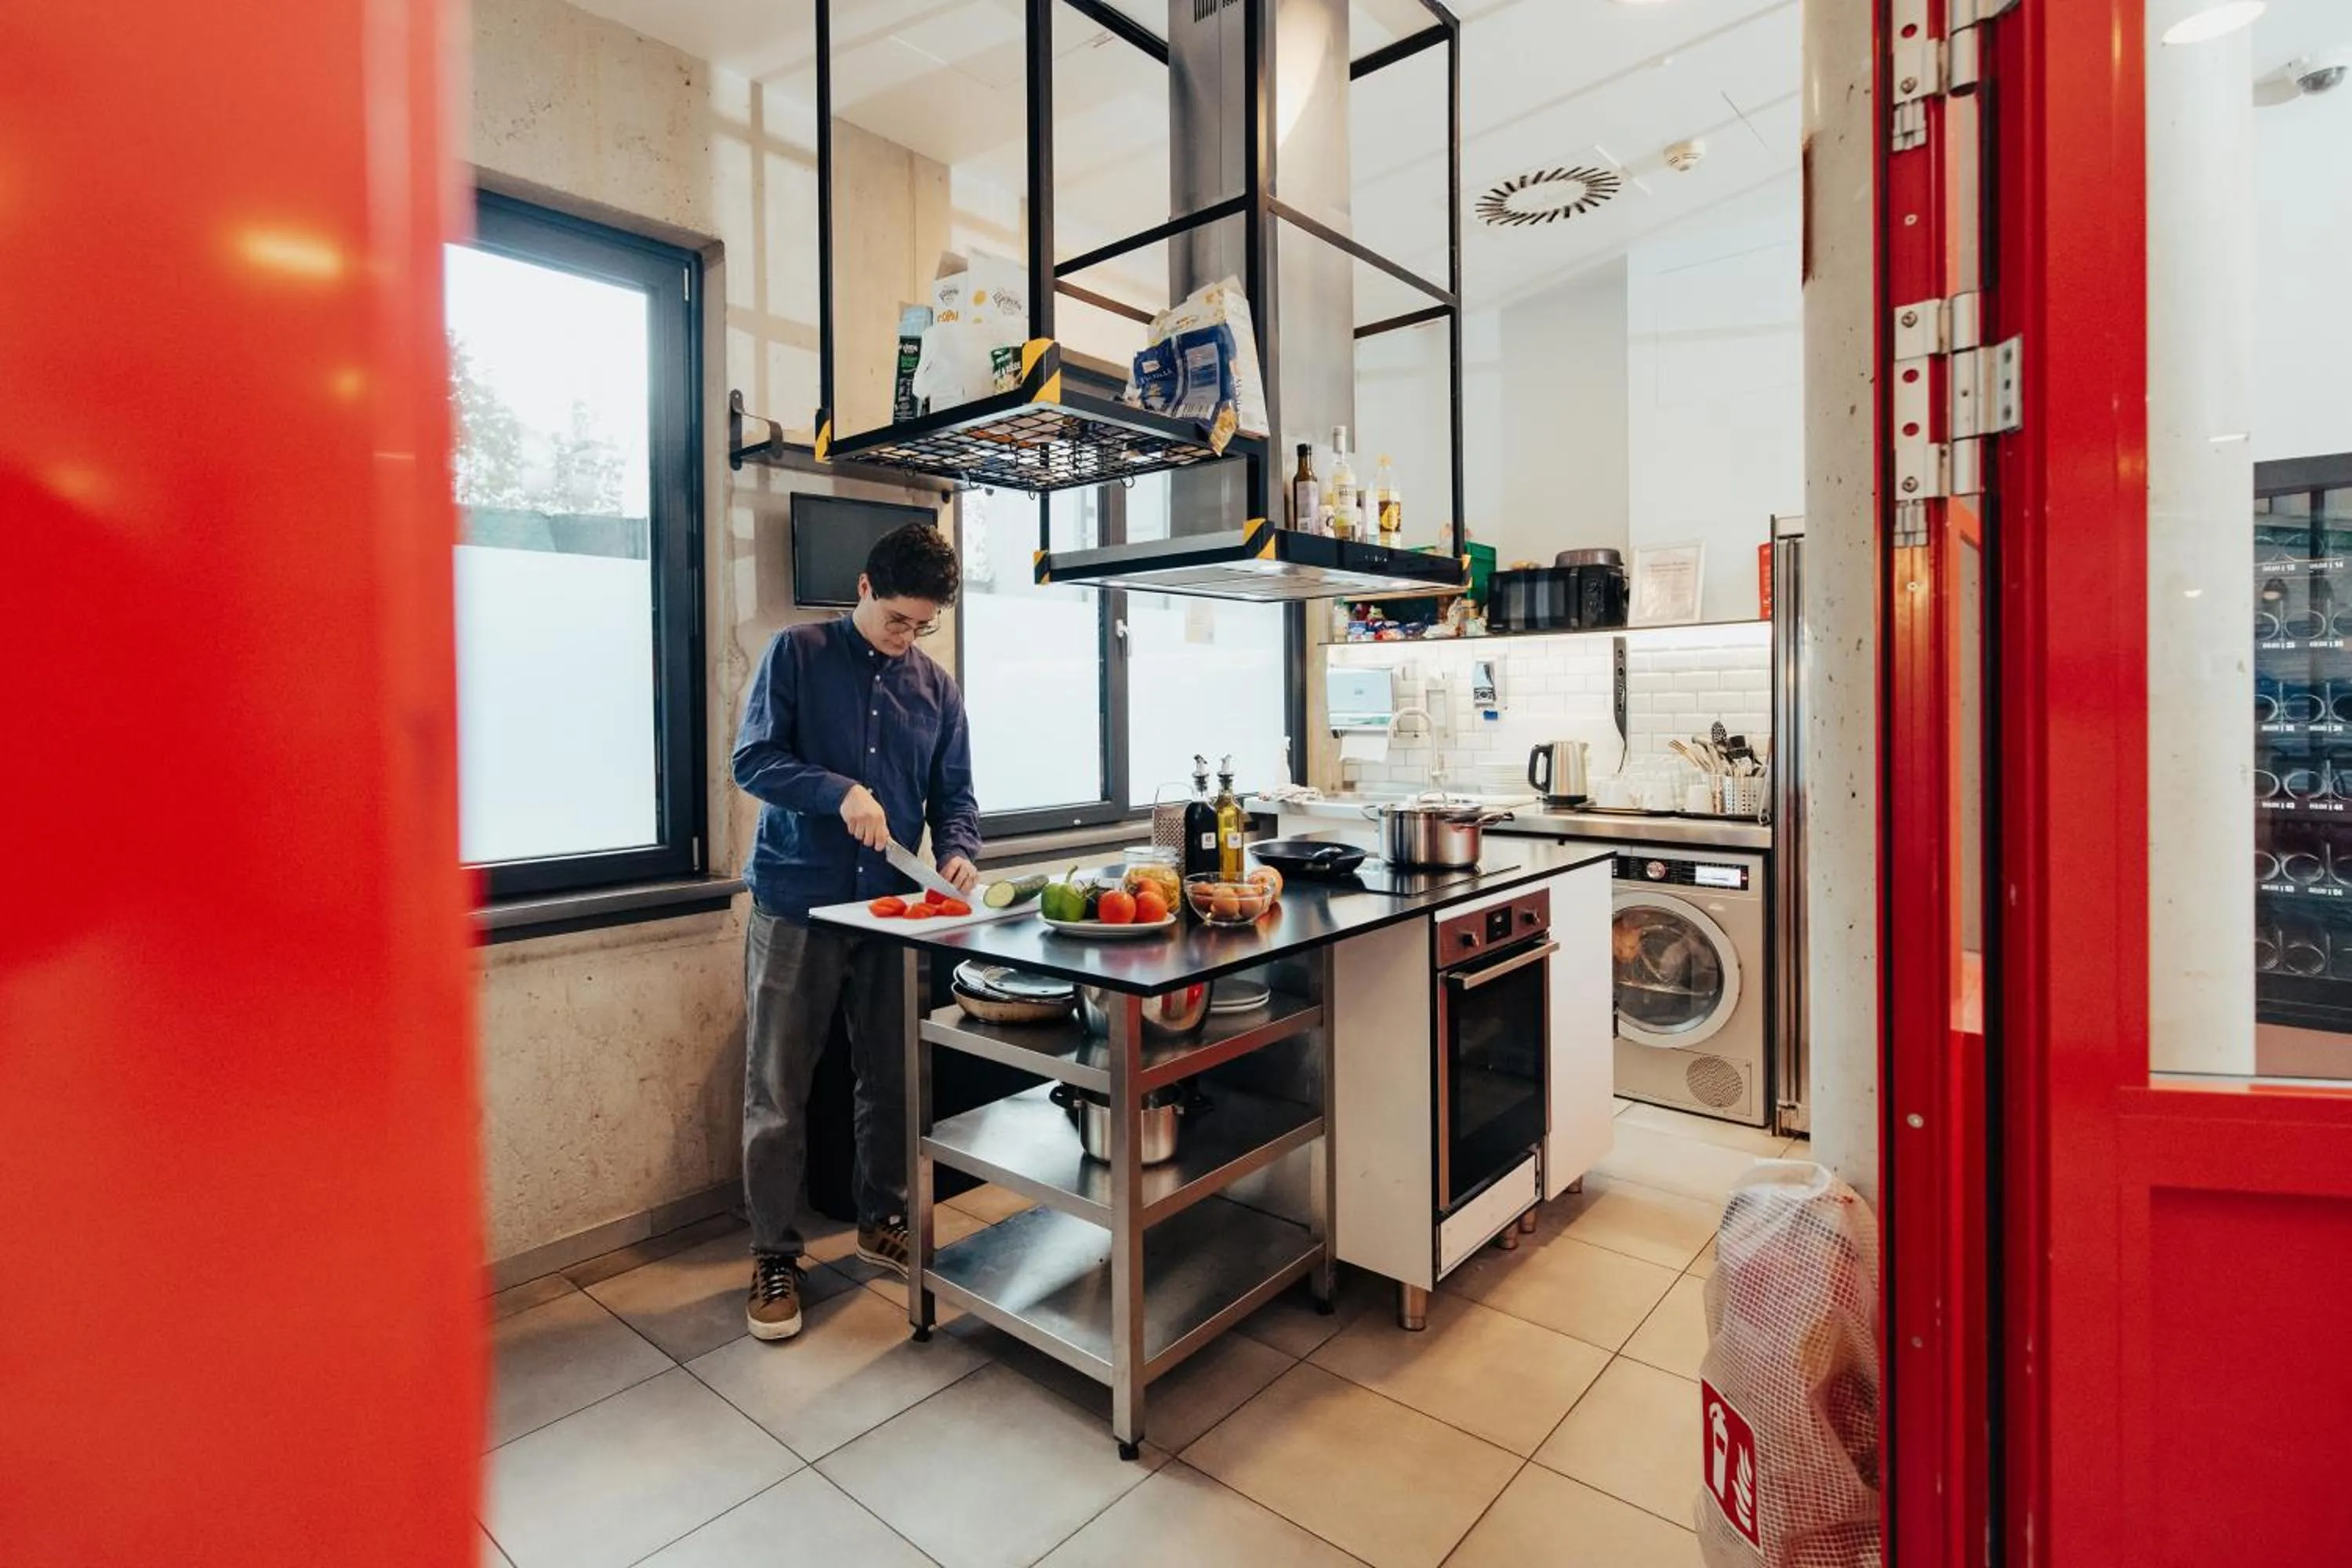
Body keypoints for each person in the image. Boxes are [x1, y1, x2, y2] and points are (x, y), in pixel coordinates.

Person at [731, 521, 980, 1341]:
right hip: (798, 903)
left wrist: (958, 851)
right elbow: (753, 761)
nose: (908, 637)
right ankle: (775, 1251)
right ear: (865, 589)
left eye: (923, 625)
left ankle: (885, 1217)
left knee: (891, 1077)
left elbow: (957, 797)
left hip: (890, 910)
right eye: (898, 619)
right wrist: (836, 789)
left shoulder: (937, 689)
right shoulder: (795, 654)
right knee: (778, 1089)